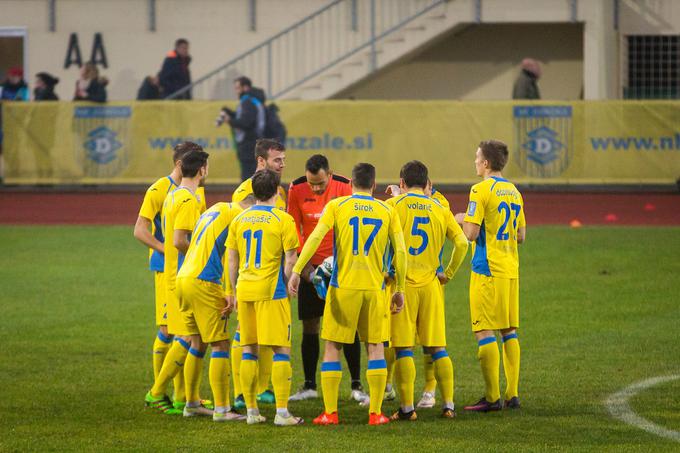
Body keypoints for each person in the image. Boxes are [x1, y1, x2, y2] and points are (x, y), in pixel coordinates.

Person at [289, 163, 407, 426]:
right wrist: (398, 289)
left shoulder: (337, 206)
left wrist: (297, 270)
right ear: (374, 185)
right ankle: (375, 414)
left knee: (332, 347)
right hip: (375, 289)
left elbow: (315, 238)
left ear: (351, 184)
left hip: (343, 288)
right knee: (375, 347)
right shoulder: (387, 210)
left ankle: (330, 413)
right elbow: (400, 252)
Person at [386, 161, 469, 421]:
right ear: (427, 184)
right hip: (432, 284)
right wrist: (449, 273)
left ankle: (407, 408)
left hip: (402, 285)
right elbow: (463, 242)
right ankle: (449, 405)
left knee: (403, 349)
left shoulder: (392, 206)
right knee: (437, 347)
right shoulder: (440, 209)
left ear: (401, 183)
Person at [286, 154, 367, 402]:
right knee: (310, 324)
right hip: (311, 268)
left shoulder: (344, 186)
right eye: (312, 184)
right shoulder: (296, 189)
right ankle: (309, 385)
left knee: (348, 324)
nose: (316, 188)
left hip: (342, 268)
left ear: (329, 174)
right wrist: (305, 266)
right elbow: (293, 228)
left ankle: (356, 385)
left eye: (320, 183)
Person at [226, 169, 304, 426]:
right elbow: (290, 259)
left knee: (249, 349)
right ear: (276, 190)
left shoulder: (240, 219)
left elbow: (232, 258)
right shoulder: (283, 220)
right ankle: (282, 413)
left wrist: (233, 289)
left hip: (245, 289)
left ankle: (251, 411)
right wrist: (290, 280)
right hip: (272, 291)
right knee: (281, 349)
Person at [135, 143, 206, 414]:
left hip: (189, 268)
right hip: (168, 268)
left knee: (186, 331)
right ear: (179, 163)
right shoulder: (159, 189)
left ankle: (184, 396)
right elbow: (140, 230)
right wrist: (168, 252)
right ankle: (159, 391)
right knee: (169, 329)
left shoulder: (195, 189)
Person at [455, 140, 526, 412]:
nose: (474, 162)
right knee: (508, 330)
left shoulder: (480, 190)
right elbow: (521, 236)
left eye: (476, 158)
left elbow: (470, 234)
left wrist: (460, 219)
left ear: (486, 163)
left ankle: (492, 398)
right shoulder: (514, 191)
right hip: (510, 269)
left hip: (487, 269)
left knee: (484, 330)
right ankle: (513, 394)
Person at [175, 196, 255, 421]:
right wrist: (230, 292)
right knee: (220, 343)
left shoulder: (216, 208)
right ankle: (222, 409)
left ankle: (191, 404)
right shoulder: (240, 216)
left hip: (183, 278)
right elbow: (233, 257)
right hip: (204, 281)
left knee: (197, 342)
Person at [229, 138, 286, 409]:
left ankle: (261, 388)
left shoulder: (279, 191)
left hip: (268, 276)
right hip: (252, 274)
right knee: (245, 336)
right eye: (277, 160)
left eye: (283, 160)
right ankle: (242, 392)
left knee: (263, 336)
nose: (282, 165)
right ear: (261, 161)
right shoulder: (243, 193)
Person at [224, 76, 266, 180]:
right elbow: (245, 118)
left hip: (249, 143)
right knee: (252, 173)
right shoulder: (251, 101)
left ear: (245, 88)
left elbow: (246, 122)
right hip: (252, 142)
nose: (236, 91)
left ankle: (248, 196)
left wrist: (229, 121)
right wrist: (231, 113)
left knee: (248, 175)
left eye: (238, 88)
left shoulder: (247, 102)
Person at [0, 67, 29, 185]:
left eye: (14, 76)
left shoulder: (24, 88)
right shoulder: (3, 87)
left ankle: (14, 175)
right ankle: (3, 174)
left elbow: (24, 103)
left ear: (19, 77)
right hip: (2, 121)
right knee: (2, 149)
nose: (11, 77)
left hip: (16, 123)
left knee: (13, 150)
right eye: (10, 75)